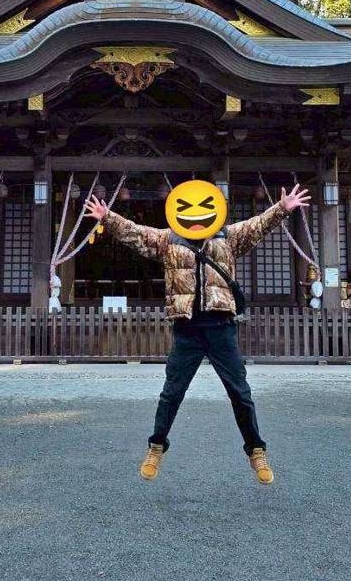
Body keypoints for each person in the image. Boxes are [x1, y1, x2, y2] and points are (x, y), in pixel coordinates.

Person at [83, 182, 311, 484]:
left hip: (221, 327)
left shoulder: (227, 238)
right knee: (172, 393)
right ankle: (156, 447)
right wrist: (107, 216)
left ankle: (256, 451)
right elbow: (136, 234)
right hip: (187, 328)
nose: (195, 215)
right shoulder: (168, 240)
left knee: (240, 393)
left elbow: (258, 225)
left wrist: (282, 208)